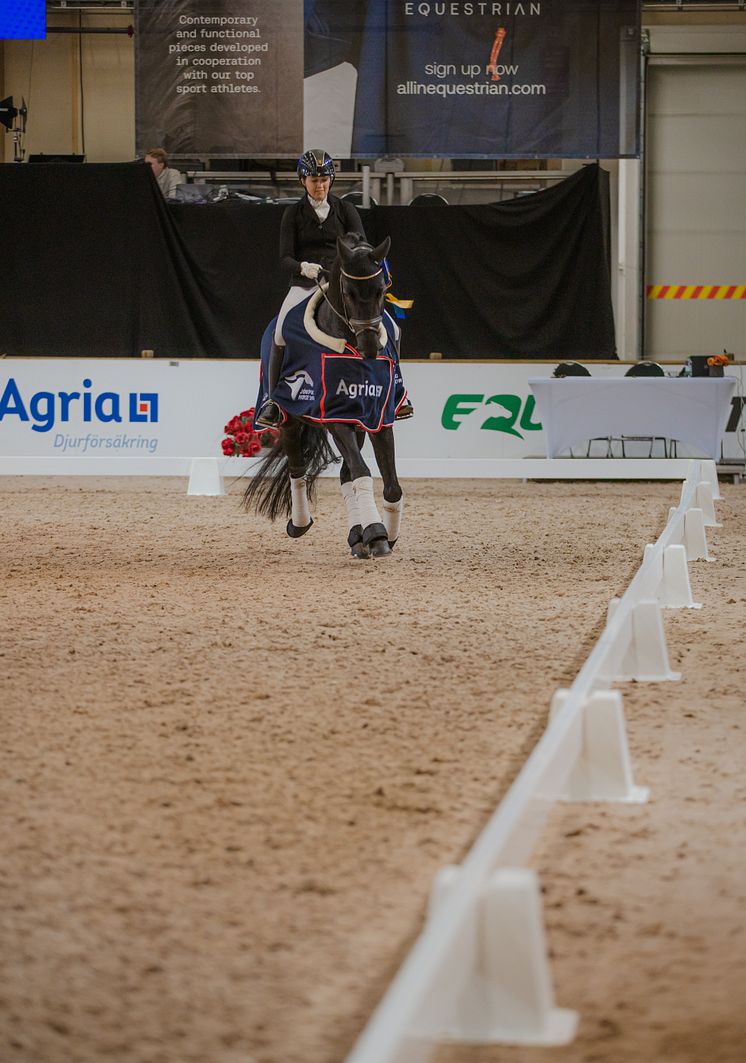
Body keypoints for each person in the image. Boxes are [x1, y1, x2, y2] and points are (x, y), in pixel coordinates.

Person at [256, 147, 413, 427]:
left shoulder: (345, 209)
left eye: (325, 179)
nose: (320, 185)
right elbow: (284, 257)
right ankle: (273, 400)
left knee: (393, 327)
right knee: (280, 331)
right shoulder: (293, 213)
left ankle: (398, 393)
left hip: (341, 282)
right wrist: (302, 267)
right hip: (306, 283)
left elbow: (362, 247)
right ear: (302, 181)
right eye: (314, 180)